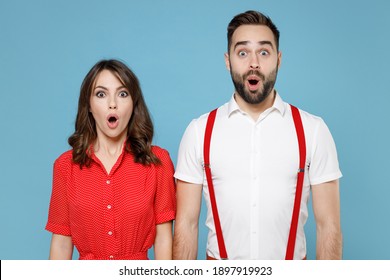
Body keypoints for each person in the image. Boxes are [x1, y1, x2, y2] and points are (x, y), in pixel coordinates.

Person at [173, 10, 342, 260]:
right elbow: (186, 225)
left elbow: (329, 227)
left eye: (264, 52)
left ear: (279, 59)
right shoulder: (199, 132)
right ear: (227, 60)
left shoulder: (313, 130)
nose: (254, 63)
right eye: (242, 53)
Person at [46, 59, 176, 260]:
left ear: (133, 104)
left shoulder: (157, 161)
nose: (112, 103)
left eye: (122, 94)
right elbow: (61, 244)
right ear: (88, 105)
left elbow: (163, 239)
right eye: (101, 94)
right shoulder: (65, 166)